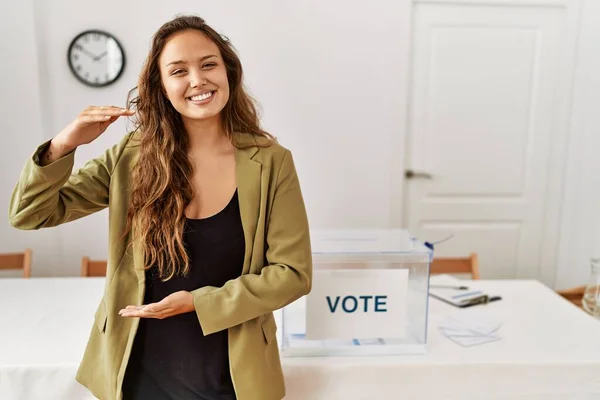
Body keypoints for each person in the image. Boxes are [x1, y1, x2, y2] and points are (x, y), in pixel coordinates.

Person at [9, 14, 312, 400]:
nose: (197, 80)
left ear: (228, 72)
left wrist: (200, 303)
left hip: (231, 376)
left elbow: (292, 273)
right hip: (136, 373)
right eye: (178, 70)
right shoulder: (131, 157)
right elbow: (30, 212)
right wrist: (63, 145)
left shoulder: (270, 161)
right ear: (162, 87)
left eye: (208, 64)